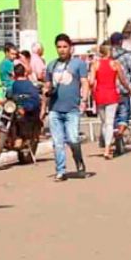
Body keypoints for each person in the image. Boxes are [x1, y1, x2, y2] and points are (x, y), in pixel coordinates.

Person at [44, 34, 90, 181]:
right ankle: (61, 171)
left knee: (73, 138)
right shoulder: (51, 65)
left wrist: (84, 100)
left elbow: (84, 83)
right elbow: (47, 85)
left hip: (72, 109)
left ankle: (79, 161)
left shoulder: (78, 64)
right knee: (57, 142)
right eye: (59, 47)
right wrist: (44, 103)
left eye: (65, 47)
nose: (62, 50)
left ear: (70, 48)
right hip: (54, 109)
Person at [89, 42, 131, 159]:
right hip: (112, 94)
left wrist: (90, 91)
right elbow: (123, 80)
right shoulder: (115, 64)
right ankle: (107, 149)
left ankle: (107, 147)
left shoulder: (95, 64)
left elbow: (91, 81)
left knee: (104, 123)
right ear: (109, 52)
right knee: (109, 122)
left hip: (99, 95)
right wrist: (130, 90)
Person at [110, 32, 131, 153]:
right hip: (123, 89)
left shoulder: (106, 56)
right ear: (121, 42)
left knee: (112, 116)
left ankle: (115, 133)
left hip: (109, 90)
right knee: (124, 114)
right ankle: (120, 132)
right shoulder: (127, 56)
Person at [7, 64, 42, 149]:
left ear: (14, 74)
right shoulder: (30, 84)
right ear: (25, 73)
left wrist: (24, 107)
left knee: (19, 119)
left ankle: (19, 138)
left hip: (28, 112)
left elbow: (12, 95)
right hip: (28, 109)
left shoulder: (15, 84)